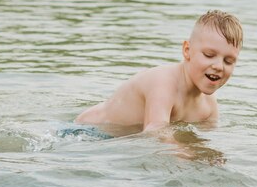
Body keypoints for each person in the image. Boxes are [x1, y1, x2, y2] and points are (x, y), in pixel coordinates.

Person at [75, 10, 243, 135]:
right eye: (209, 55)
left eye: (228, 61)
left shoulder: (209, 105)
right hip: (86, 132)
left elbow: (210, 137)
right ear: (187, 50)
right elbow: (154, 132)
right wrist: (187, 157)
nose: (219, 66)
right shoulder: (164, 83)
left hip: (118, 137)